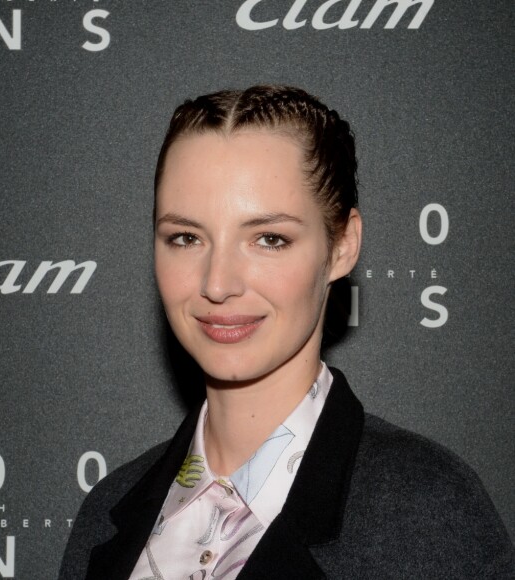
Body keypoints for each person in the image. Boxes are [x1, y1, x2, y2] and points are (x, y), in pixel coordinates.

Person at [59, 86, 514, 579]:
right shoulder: (105, 515)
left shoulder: (428, 514)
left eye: (269, 239)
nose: (217, 283)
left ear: (342, 245)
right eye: (186, 238)